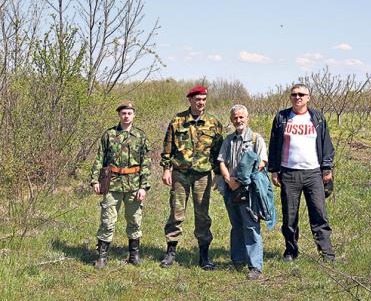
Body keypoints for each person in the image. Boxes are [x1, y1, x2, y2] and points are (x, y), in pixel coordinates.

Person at [268, 84, 335, 262]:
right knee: (290, 217)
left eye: (301, 94)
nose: (298, 97)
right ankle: (290, 252)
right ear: (290, 97)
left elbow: (326, 144)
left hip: (313, 173)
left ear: (308, 97)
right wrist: (274, 170)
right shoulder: (282, 117)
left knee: (319, 214)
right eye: (294, 94)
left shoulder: (317, 118)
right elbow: (274, 145)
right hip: (289, 173)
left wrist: (327, 168)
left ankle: (326, 253)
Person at [160, 85, 223, 270]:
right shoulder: (178, 121)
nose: (201, 103)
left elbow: (218, 152)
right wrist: (166, 169)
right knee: (176, 212)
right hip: (180, 173)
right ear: (190, 100)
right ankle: (170, 252)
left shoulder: (213, 122)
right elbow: (167, 147)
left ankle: (204, 256)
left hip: (202, 174)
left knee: (202, 214)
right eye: (197, 99)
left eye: (203, 99)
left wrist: (217, 174)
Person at [90, 101, 151, 269]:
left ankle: (134, 255)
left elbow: (146, 163)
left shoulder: (141, 136)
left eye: (129, 113)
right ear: (119, 115)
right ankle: (102, 257)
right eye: (123, 113)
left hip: (133, 185)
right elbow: (99, 158)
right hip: (112, 184)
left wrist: (143, 187)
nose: (126, 116)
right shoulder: (108, 135)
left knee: (134, 220)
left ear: (134, 115)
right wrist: (95, 180)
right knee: (107, 220)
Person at [217, 104, 275, 280]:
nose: (238, 120)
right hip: (230, 189)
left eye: (241, 117)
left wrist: (241, 181)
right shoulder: (228, 140)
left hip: (250, 191)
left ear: (247, 118)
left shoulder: (257, 139)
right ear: (231, 119)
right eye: (235, 117)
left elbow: (262, 162)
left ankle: (255, 266)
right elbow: (221, 161)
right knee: (236, 226)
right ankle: (237, 260)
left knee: (251, 226)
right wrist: (229, 180)